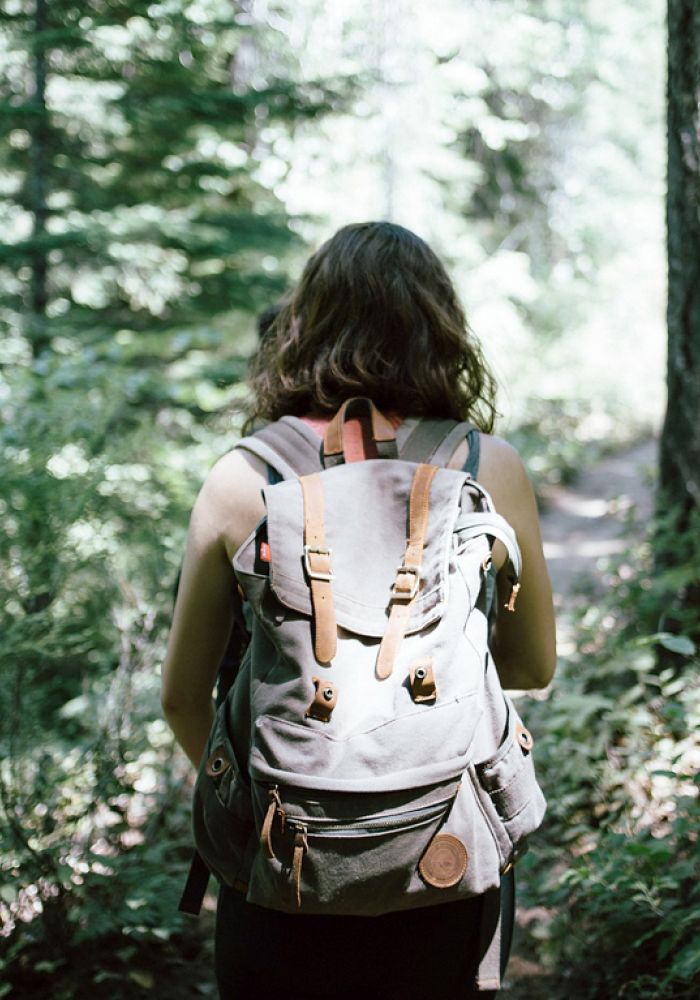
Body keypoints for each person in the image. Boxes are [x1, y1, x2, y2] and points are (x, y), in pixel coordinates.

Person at [161, 221, 556, 999]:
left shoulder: (243, 478)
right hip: (445, 860)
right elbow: (531, 666)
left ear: (304, 325)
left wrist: (268, 798)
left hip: (279, 866)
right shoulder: (488, 467)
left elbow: (182, 696)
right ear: (439, 329)